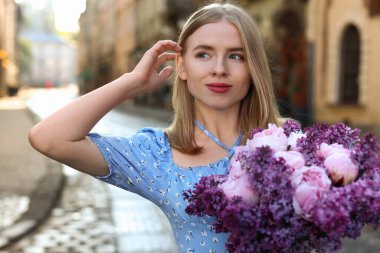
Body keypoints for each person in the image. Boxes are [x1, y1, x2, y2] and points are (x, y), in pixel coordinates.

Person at [29, 2, 280, 252]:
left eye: (236, 56)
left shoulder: (288, 143)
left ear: (252, 67)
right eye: (204, 54)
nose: (219, 69)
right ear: (182, 66)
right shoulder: (158, 154)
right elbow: (48, 138)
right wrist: (132, 82)